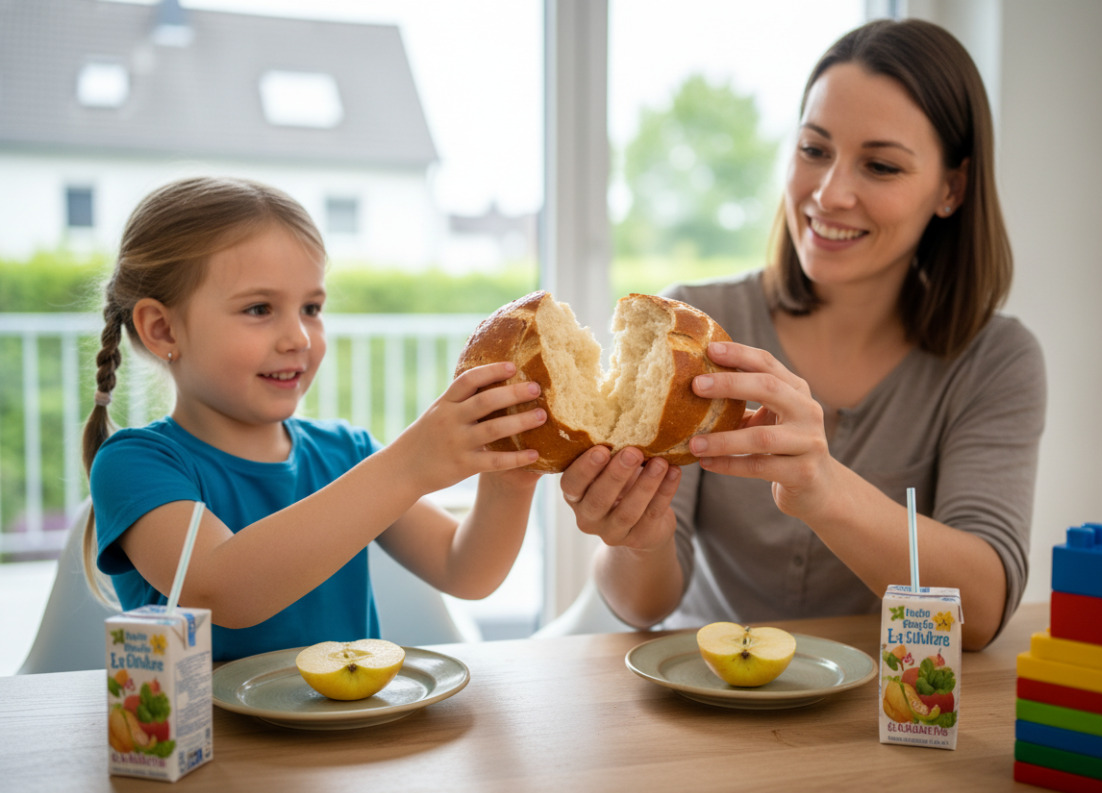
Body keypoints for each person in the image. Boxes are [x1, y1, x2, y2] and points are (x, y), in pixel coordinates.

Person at [560, 18, 1046, 651]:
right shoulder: (694, 326)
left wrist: (822, 487)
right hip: (708, 700)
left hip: (879, 719)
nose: (829, 193)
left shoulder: (996, 360)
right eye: (814, 150)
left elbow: (979, 615)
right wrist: (636, 537)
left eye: (880, 166)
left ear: (951, 189)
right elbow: (642, 607)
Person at [81, 176, 546, 662]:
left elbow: (464, 570)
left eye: (311, 308)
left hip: (350, 737)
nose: (299, 337)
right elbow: (223, 590)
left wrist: (510, 483)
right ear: (161, 329)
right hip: (206, 739)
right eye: (259, 308)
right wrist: (409, 465)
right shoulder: (133, 464)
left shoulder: (347, 453)